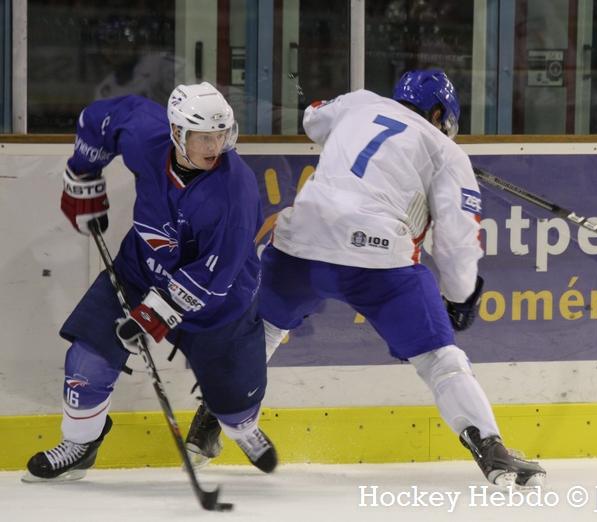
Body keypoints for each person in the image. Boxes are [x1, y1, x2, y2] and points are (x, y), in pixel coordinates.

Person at [186, 70, 547, 487]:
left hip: (301, 241)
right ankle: (491, 449)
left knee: (261, 329)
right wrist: (461, 296)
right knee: (438, 358)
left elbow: (313, 119)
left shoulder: (360, 102)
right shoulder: (447, 154)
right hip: (378, 259)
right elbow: (457, 241)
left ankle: (208, 424)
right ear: (438, 114)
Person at [23, 82, 277, 482]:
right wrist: (83, 173)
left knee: (235, 405)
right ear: (176, 132)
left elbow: (216, 276)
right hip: (139, 272)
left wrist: (153, 315)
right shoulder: (147, 134)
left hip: (220, 302)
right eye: (203, 137)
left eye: (221, 134)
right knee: (88, 359)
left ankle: (235, 423)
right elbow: (100, 120)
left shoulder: (234, 191)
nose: (215, 146)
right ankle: (80, 444)